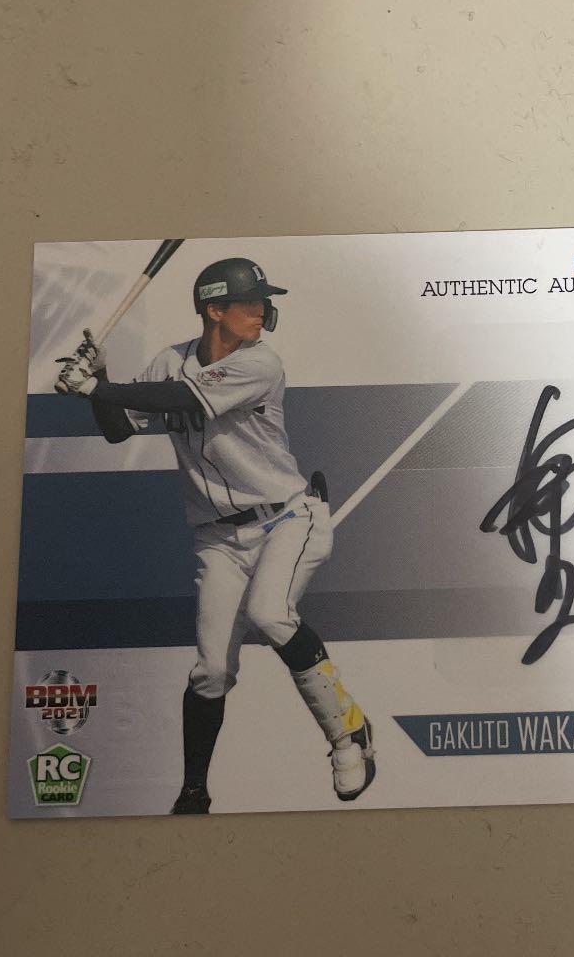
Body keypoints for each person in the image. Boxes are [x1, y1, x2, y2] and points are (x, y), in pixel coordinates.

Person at [53, 257, 375, 813]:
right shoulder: (169, 361)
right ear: (215, 310)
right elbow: (119, 429)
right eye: (252, 301)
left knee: (271, 614)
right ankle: (194, 791)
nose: (263, 311)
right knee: (211, 672)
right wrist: (102, 382)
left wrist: (95, 388)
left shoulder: (261, 363)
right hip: (217, 539)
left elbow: (183, 398)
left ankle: (348, 734)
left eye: (263, 301)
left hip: (284, 519)